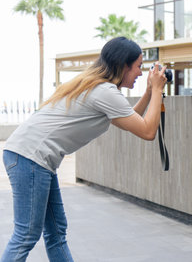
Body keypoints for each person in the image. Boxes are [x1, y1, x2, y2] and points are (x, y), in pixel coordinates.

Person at [1, 37, 167, 262]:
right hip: (30, 157)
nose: (140, 72)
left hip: (30, 156)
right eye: (138, 66)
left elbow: (133, 121)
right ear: (123, 65)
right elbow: (147, 131)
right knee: (26, 235)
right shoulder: (104, 91)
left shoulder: (99, 89)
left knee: (56, 233)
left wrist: (149, 91)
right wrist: (157, 89)